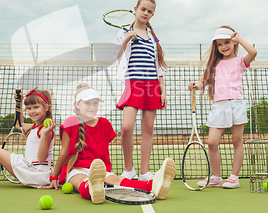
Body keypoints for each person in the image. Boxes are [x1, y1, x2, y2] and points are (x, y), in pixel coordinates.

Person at [44, 83, 176, 205]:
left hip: (100, 171)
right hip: (76, 170)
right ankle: (93, 189)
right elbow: (63, 152)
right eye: (87, 103)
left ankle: (153, 185)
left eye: (95, 103)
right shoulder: (70, 122)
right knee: (82, 181)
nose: (92, 107)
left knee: (119, 180)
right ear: (77, 105)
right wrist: (54, 177)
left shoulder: (105, 123)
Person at [188, 26, 257, 189]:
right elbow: (204, 81)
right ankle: (216, 177)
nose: (224, 46)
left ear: (234, 43)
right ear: (216, 47)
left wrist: (238, 38)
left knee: (237, 140)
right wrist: (197, 85)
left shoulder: (240, 61)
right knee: (212, 142)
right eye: (219, 44)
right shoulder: (215, 64)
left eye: (227, 42)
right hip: (219, 106)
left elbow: (253, 52)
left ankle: (234, 177)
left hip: (236, 104)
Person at [115, 0, 168, 181]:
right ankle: (128, 170)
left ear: (153, 14)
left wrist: (162, 90)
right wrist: (125, 41)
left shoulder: (153, 38)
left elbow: (158, 66)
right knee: (127, 127)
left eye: (150, 11)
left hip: (152, 85)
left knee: (148, 128)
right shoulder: (124, 32)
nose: (146, 13)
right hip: (133, 84)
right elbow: (119, 59)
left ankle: (144, 172)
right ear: (136, 9)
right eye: (143, 9)